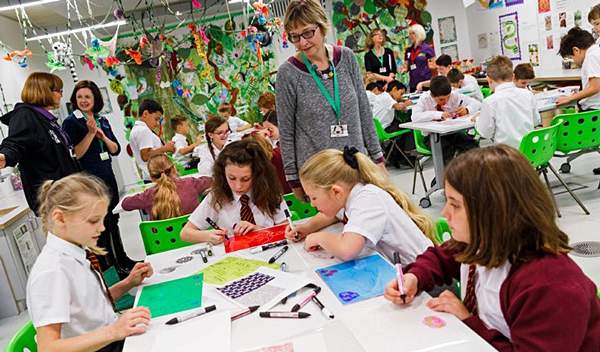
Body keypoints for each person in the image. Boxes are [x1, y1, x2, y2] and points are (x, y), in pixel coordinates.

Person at [384, 145, 600, 351]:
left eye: (455, 205)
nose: (444, 214)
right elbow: (442, 257)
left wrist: (470, 322)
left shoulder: (549, 287)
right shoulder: (482, 241)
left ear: (493, 213)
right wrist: (415, 277)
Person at [27, 174, 153, 352]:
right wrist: (114, 331)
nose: (101, 228)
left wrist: (128, 283)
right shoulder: (53, 271)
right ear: (60, 218)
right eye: (93, 221)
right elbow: (48, 347)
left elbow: (90, 308)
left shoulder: (76, 254)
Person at [276, 0, 384, 201]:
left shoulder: (347, 58)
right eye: (295, 36)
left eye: (308, 33)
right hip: (319, 177)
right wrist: (293, 179)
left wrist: (377, 157)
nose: (303, 42)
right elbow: (286, 131)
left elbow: (363, 110)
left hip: (356, 167)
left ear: (322, 26)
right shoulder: (288, 73)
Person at [285, 147, 434, 262]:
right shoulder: (351, 194)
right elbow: (332, 216)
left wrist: (319, 237)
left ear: (336, 192)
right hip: (408, 273)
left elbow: (347, 250)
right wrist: (306, 228)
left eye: (314, 198)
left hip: (427, 279)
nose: (312, 204)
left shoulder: (367, 200)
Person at [62, 80, 135, 273]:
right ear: (74, 100)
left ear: (95, 99)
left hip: (107, 176)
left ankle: (122, 259)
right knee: (99, 226)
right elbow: (75, 154)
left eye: (87, 97)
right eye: (79, 97)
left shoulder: (101, 119)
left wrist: (102, 136)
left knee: (113, 220)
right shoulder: (71, 122)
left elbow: (116, 149)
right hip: (89, 182)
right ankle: (110, 268)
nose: (83, 101)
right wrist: (90, 134)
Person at [0, 72, 79, 212]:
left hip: (66, 192)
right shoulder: (25, 115)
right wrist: (5, 156)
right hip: (52, 198)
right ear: (44, 91)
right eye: (58, 90)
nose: (61, 95)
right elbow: (16, 142)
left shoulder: (46, 120)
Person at [181, 139, 287, 244]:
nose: (238, 186)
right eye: (231, 178)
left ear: (257, 174)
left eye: (245, 179)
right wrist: (208, 235)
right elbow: (185, 233)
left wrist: (260, 231)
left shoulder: (270, 192)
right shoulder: (217, 196)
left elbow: (287, 229)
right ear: (223, 174)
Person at [556, 27, 600, 175]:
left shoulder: (592, 56)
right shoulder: (596, 51)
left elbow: (595, 87)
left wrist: (571, 98)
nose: (574, 61)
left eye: (571, 57)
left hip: (593, 114)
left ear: (576, 50)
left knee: (558, 126)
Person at [474, 56, 540, 149]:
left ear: (489, 80)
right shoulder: (528, 94)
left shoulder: (490, 102)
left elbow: (485, 133)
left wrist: (478, 120)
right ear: (513, 76)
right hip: (530, 150)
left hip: (507, 155)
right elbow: (536, 121)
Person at [121, 154, 212, 220]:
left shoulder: (149, 194)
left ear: (152, 177)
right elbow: (212, 181)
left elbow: (125, 204)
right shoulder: (191, 183)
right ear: (174, 168)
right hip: (195, 236)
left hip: (164, 244)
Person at [129, 99, 176, 182]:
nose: (157, 123)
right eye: (156, 119)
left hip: (152, 177)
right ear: (145, 114)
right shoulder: (143, 130)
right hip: (155, 178)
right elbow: (145, 156)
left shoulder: (138, 129)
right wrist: (165, 148)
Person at [403, 24, 435, 92]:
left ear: (419, 34)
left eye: (413, 33)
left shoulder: (427, 48)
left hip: (425, 82)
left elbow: (433, 65)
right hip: (413, 83)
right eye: (410, 34)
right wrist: (403, 69)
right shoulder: (408, 50)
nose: (410, 36)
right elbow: (406, 66)